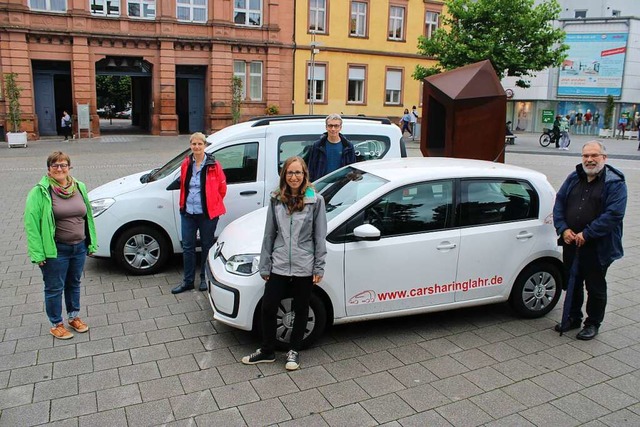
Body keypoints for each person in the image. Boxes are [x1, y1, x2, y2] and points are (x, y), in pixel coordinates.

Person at [242, 156, 327, 370]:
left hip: (304, 262)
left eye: (298, 173)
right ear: (284, 175)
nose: (294, 177)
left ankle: (293, 350)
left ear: (304, 175)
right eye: (290, 173)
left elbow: (319, 236)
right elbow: (269, 234)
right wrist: (265, 263)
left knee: (301, 308)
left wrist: (319, 266)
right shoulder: (276, 198)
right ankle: (268, 350)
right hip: (279, 261)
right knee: (269, 307)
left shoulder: (315, 200)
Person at [553, 141, 627, 340]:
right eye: (586, 156)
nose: (589, 160)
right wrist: (563, 229)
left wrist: (587, 234)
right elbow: (559, 203)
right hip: (571, 242)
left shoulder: (614, 183)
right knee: (573, 282)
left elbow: (614, 215)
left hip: (597, 246)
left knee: (595, 286)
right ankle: (572, 317)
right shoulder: (574, 177)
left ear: (604, 158)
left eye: (594, 155)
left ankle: (593, 323)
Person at [24, 151, 97, 339]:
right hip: (56, 250)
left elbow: (87, 216)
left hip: (79, 246)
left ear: (69, 167)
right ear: (48, 169)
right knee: (54, 287)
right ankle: (56, 323)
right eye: (55, 165)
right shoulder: (40, 192)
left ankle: (73, 317)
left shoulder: (79, 186)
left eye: (63, 165)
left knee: (74, 283)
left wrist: (91, 242)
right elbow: (31, 224)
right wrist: (37, 253)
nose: (59, 168)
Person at [171, 132, 227, 294]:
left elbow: (222, 189)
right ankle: (188, 281)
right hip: (188, 212)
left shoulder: (213, 165)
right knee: (188, 247)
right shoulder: (186, 163)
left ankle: (204, 278)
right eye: (194, 144)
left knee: (206, 245)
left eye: (199, 144)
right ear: (191, 146)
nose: (196, 147)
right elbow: (183, 186)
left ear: (205, 146)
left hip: (207, 214)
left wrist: (212, 203)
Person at [307, 113, 356, 182]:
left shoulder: (348, 147)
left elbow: (352, 170)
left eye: (336, 126)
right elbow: (311, 169)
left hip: (341, 186)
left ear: (340, 127)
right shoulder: (318, 146)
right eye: (330, 126)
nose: (333, 129)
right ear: (326, 127)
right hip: (321, 186)